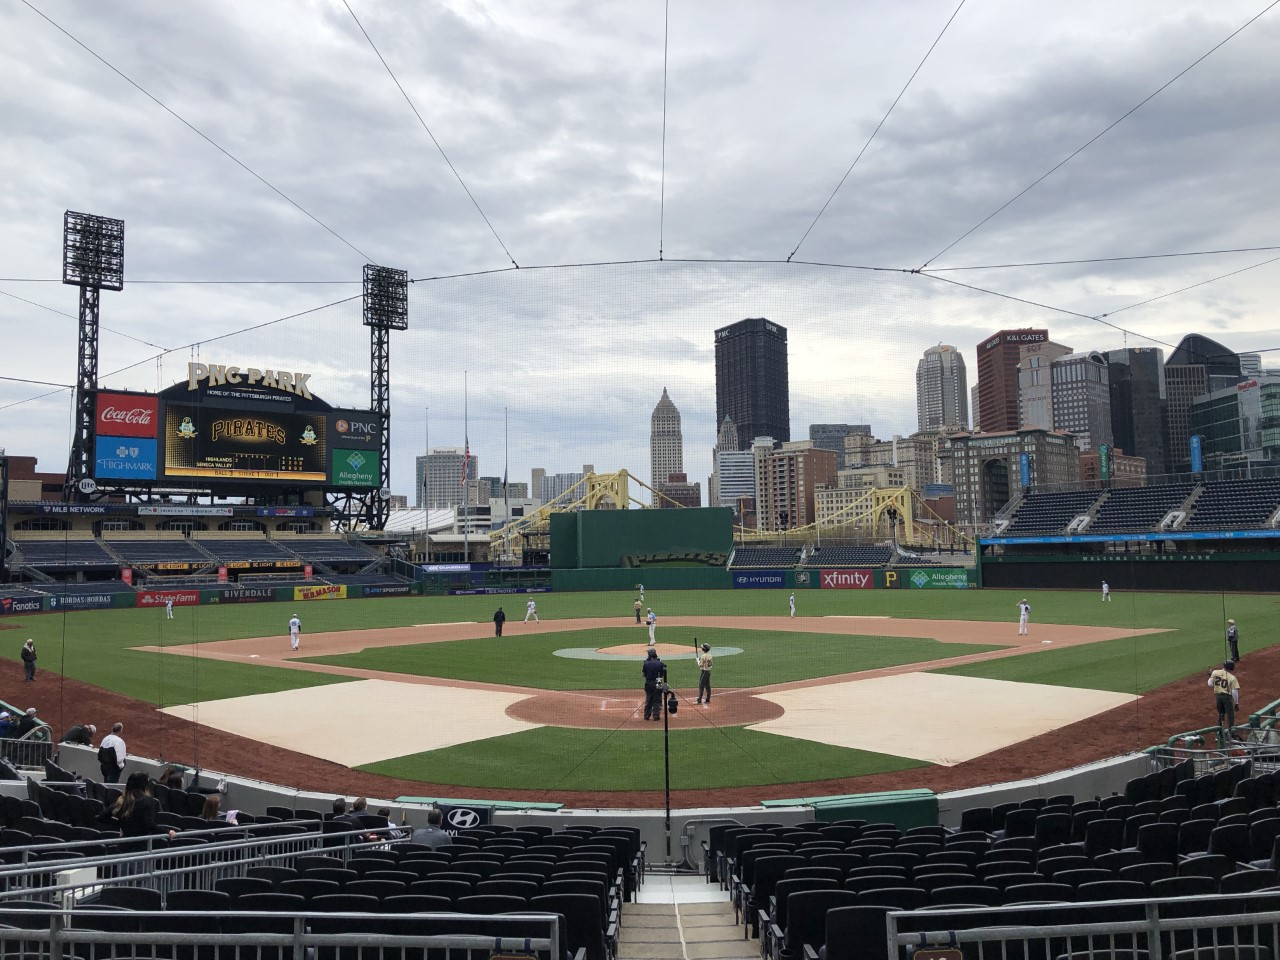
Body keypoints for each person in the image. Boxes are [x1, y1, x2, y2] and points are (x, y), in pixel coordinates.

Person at [114, 772, 176, 839]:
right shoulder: (148, 801)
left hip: (124, 844)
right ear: (145, 785)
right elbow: (149, 825)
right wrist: (167, 831)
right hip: (140, 844)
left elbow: (103, 816)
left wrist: (120, 824)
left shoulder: (122, 800)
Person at [1208, 660, 1240, 731]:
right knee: (1230, 714)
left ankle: (1219, 730)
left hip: (1218, 697)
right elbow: (1234, 692)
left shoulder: (1215, 672)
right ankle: (1231, 731)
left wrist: (1211, 676)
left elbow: (1210, 684)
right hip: (1227, 698)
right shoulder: (1232, 678)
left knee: (1221, 713)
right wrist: (1236, 703)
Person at [642, 647, 666, 721]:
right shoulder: (660, 663)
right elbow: (663, 674)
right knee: (657, 699)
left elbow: (644, 674)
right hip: (658, 682)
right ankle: (656, 715)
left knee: (649, 699)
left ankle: (647, 715)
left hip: (649, 682)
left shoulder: (646, 664)